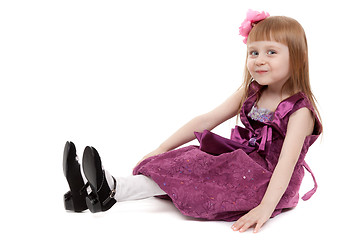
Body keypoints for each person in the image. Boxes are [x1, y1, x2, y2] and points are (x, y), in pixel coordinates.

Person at [63, 10, 322, 233]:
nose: (259, 60)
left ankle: (112, 189)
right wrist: (162, 148)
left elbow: (286, 165)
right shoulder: (252, 91)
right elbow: (207, 119)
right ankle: (92, 192)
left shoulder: (300, 112)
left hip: (270, 182)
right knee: (190, 158)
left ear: (296, 58)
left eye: (271, 52)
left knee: (205, 175)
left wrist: (266, 208)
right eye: (253, 52)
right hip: (242, 160)